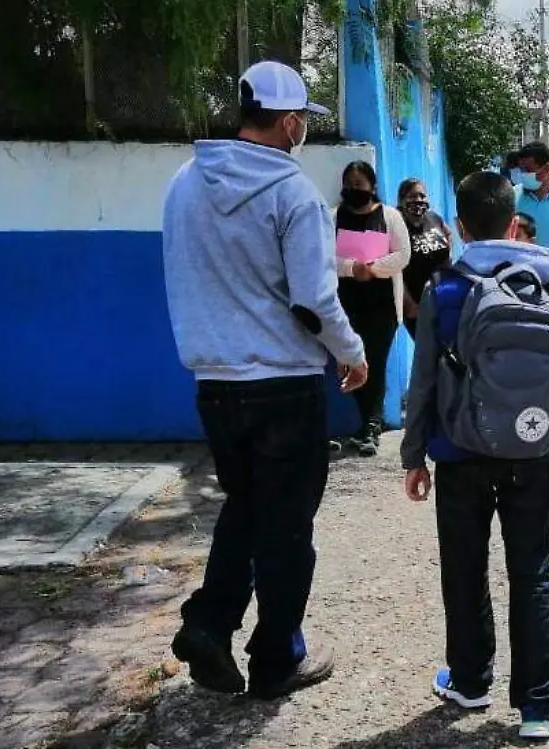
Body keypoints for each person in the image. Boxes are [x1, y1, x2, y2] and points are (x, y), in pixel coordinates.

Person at [162, 60, 368, 700]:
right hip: (283, 383)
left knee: (247, 508)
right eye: (302, 120)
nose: (302, 130)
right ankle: (278, 657)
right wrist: (352, 352)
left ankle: (208, 624)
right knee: (286, 529)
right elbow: (312, 300)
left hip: (215, 383)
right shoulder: (293, 193)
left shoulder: (184, 183)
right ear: (287, 122)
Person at [401, 171, 549, 740]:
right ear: (513, 221)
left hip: (458, 450)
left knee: (464, 567)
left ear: (459, 225)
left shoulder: (444, 289)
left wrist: (413, 456)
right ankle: (536, 706)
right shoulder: (544, 286)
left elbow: (423, 380)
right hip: (532, 448)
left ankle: (471, 682)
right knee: (532, 576)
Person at [335, 161, 412, 456]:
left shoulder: (389, 217)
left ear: (372, 186)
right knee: (351, 361)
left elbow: (403, 254)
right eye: (350, 184)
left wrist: (373, 269)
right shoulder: (334, 217)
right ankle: (363, 420)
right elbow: (324, 256)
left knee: (375, 362)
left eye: (360, 184)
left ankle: (372, 425)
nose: (355, 189)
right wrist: (350, 268)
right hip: (346, 303)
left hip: (381, 305)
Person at [398, 177, 453, 337]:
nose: (418, 200)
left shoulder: (433, 218)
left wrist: (447, 256)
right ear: (401, 200)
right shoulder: (396, 224)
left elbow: (447, 234)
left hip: (442, 299)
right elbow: (394, 270)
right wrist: (409, 305)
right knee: (429, 351)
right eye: (412, 196)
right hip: (417, 306)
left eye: (422, 196)